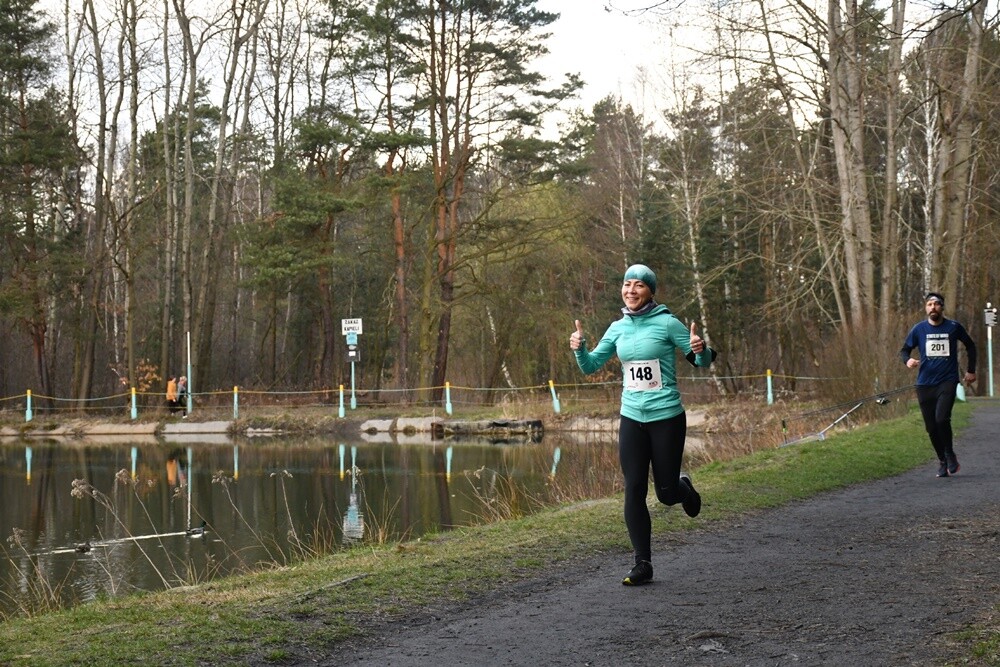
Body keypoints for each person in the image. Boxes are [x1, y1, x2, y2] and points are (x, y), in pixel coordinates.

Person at [570, 264, 717, 586]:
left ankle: (683, 488)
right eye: (626, 284)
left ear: (650, 291)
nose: (631, 290)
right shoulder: (617, 328)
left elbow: (702, 361)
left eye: (639, 285)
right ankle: (642, 563)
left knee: (665, 494)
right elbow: (591, 366)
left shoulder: (667, 323)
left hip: (666, 417)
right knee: (634, 488)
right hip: (631, 417)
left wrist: (701, 349)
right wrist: (580, 349)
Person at [899, 292, 977, 478]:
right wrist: (907, 360)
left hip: (947, 381)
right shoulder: (919, 330)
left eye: (936, 304)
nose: (932, 307)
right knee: (931, 427)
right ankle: (942, 459)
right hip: (925, 383)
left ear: (942, 307)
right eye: (929, 304)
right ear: (926, 308)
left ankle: (950, 453)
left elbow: (970, 346)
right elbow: (904, 350)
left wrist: (971, 370)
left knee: (942, 419)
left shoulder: (953, 327)